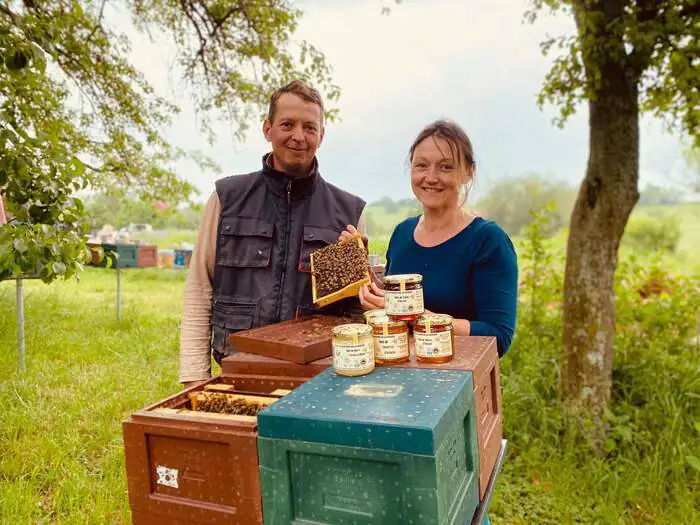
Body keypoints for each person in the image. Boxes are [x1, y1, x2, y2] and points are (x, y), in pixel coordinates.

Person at [180, 80, 367, 387]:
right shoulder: (227, 198)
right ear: (267, 130)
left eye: (309, 127)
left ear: (321, 135)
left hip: (318, 383)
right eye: (287, 124)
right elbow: (200, 289)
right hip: (236, 375)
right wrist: (194, 377)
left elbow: (354, 313)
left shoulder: (349, 212)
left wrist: (357, 271)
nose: (298, 136)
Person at [342, 119, 518, 357]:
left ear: (469, 172)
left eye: (446, 167)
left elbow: (498, 336)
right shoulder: (402, 233)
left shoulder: (488, 241)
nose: (431, 177)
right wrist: (358, 263)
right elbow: (394, 299)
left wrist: (413, 317)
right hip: (398, 374)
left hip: (459, 384)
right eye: (422, 166)